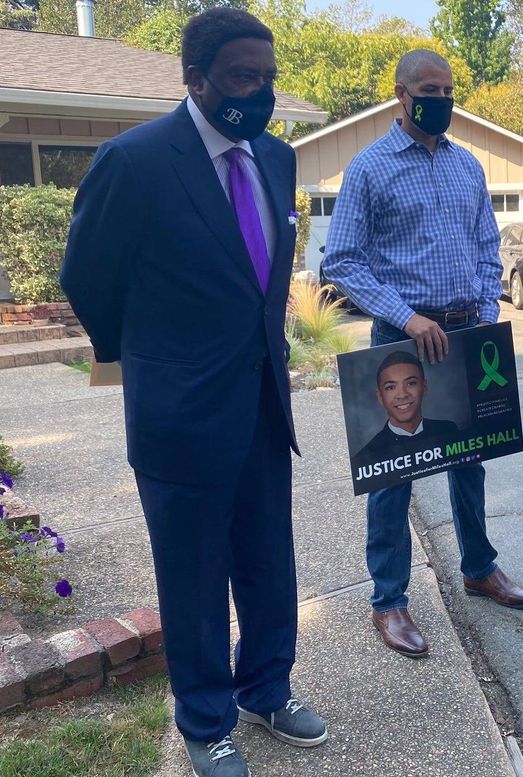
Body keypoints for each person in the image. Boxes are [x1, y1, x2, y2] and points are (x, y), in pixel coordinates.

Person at [60, 9, 326, 777]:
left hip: (263, 403)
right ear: (196, 77)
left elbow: (261, 281)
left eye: (268, 78)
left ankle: (267, 685)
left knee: (269, 559)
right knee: (195, 574)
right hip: (180, 413)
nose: (259, 93)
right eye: (244, 77)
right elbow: (88, 277)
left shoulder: (275, 158)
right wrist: (153, 359)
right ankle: (206, 719)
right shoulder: (135, 160)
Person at [322, 49, 523, 660]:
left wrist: (485, 316)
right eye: (428, 89)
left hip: (465, 332)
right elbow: (342, 260)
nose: (440, 98)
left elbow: (483, 250)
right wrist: (408, 317)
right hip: (399, 337)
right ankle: (389, 601)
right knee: (393, 475)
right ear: (401, 94)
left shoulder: (468, 166)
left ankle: (479, 567)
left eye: (447, 88)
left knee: (471, 459)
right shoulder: (369, 168)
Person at [356, 350, 459, 461]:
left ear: (424, 387)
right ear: (380, 396)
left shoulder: (448, 430)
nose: (402, 394)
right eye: (390, 387)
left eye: (411, 383)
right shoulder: (368, 456)